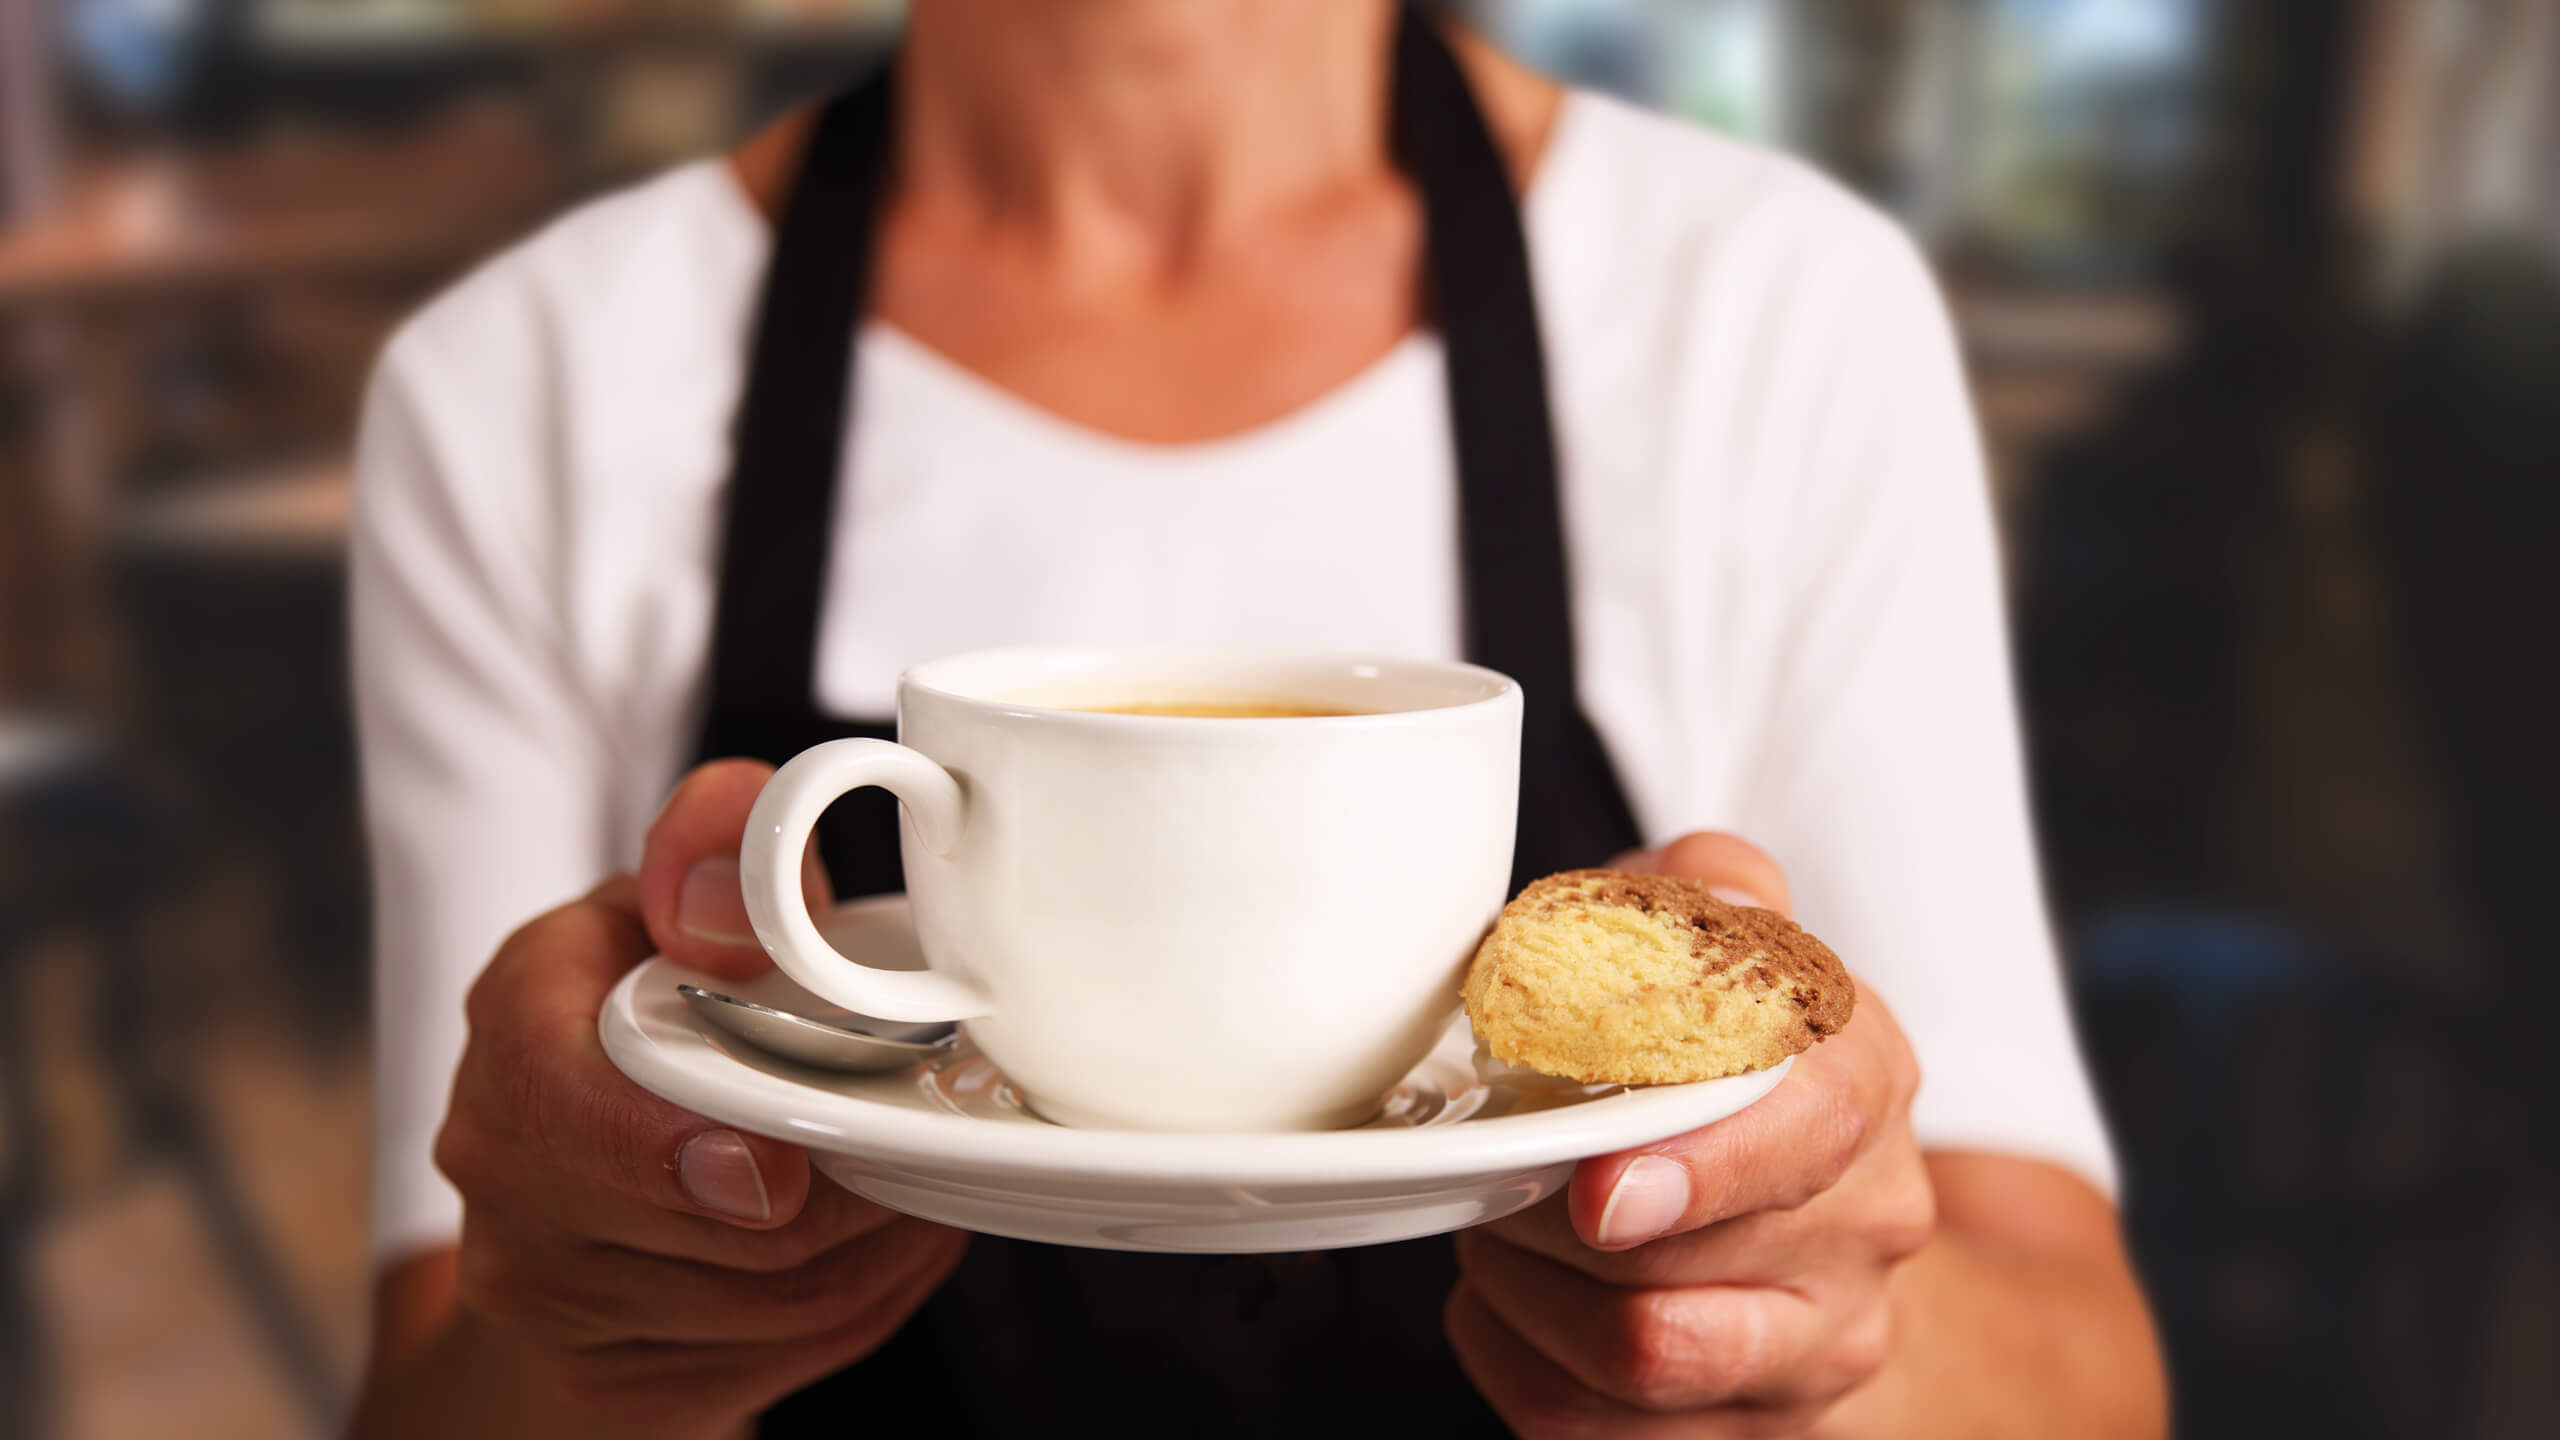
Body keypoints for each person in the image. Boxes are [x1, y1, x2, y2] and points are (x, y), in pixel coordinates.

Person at [345, 3, 2166, 1435]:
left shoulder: (1777, 316)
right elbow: (439, 1390)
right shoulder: (523, 382)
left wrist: (1819, 1344)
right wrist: (595, 1336)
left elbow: (2084, 1372)